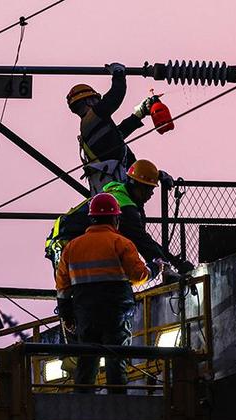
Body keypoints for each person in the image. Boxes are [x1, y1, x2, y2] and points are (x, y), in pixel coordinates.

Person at [55, 193, 150, 394]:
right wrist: (154, 270)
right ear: (115, 218)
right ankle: (117, 403)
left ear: (91, 218)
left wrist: (66, 314)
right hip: (116, 312)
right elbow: (138, 275)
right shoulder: (121, 243)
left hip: (86, 313)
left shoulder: (72, 247)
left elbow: (62, 286)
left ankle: (83, 402)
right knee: (116, 357)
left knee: (87, 360)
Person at [46, 158, 190, 278]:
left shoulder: (120, 193)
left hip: (70, 238)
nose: (151, 194)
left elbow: (135, 168)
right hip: (63, 242)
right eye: (150, 189)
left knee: (83, 285)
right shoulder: (125, 207)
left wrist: (158, 175)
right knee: (74, 285)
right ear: (139, 187)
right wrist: (169, 266)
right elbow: (143, 241)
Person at [67, 62, 156, 193]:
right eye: (96, 100)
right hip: (115, 191)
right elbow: (115, 96)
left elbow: (116, 136)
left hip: (111, 190)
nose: (99, 102)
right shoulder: (94, 116)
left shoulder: (90, 127)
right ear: (89, 101)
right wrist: (118, 73)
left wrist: (139, 114)